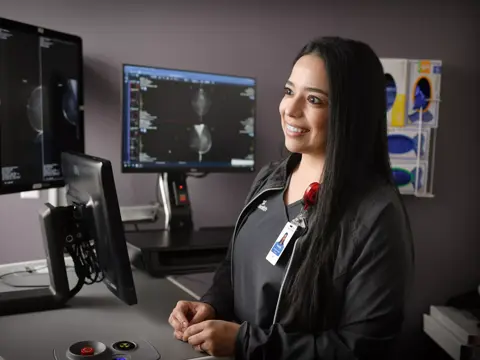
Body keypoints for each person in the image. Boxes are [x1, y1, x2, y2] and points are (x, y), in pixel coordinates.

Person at [168, 36, 414, 360]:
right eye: (289, 91)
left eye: (314, 100)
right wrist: (211, 304)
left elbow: (363, 351)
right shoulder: (270, 178)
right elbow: (235, 268)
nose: (290, 109)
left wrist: (246, 344)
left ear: (351, 113)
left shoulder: (377, 217)